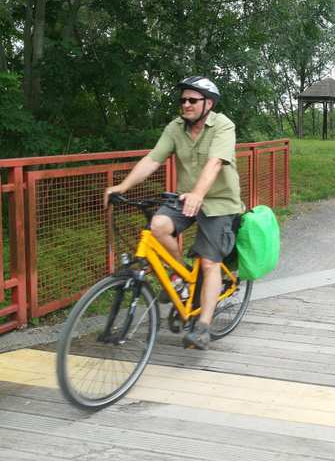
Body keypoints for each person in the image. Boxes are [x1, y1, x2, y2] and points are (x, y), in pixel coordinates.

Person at [104, 76, 245, 350]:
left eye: (192, 100)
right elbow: (152, 159)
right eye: (183, 100)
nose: (186, 104)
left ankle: (203, 325)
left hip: (219, 202)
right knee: (157, 226)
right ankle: (180, 277)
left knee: (209, 262)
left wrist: (198, 194)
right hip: (185, 197)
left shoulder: (223, 125)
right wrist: (122, 186)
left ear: (209, 103)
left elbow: (216, 163)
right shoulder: (175, 128)